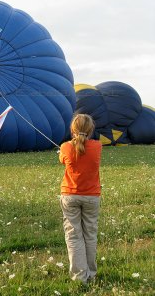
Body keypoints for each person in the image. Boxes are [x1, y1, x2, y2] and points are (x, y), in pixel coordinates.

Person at [58, 113, 102, 284]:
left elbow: (63, 159)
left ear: (72, 129)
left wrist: (63, 152)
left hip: (70, 196)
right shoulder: (98, 146)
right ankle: (91, 274)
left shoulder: (65, 147)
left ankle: (79, 277)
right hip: (91, 196)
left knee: (74, 236)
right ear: (91, 130)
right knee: (90, 235)